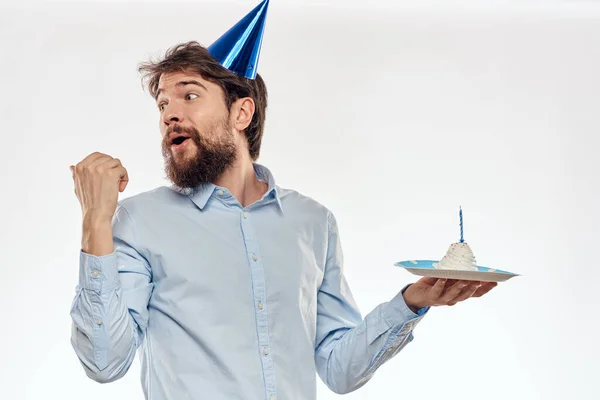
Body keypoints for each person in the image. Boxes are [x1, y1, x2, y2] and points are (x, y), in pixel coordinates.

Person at [69, 2, 497, 399]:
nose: (168, 114)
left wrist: (411, 303)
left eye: (190, 95)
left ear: (242, 114)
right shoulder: (141, 220)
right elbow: (106, 362)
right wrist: (96, 221)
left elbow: (338, 368)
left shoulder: (312, 222)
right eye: (162, 102)